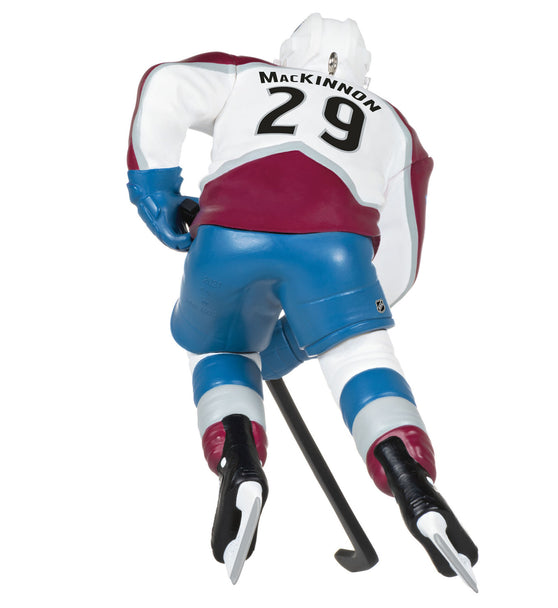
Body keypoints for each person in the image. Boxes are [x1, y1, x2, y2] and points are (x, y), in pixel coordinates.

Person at [126, 13, 478, 586]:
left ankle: (239, 463)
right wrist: (308, 337)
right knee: (360, 355)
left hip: (228, 239)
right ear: (363, 72)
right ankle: (411, 479)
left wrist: (155, 190)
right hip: (336, 253)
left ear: (289, 54)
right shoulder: (393, 123)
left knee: (220, 349)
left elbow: (166, 81)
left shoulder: (248, 77)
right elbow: (402, 256)